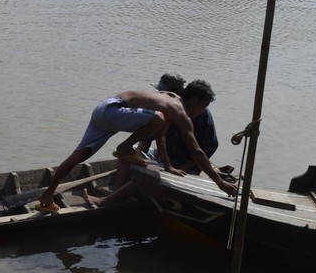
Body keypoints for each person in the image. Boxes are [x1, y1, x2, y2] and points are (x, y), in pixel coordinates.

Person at [37, 80, 237, 211]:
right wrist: (219, 182)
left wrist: (168, 167)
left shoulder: (169, 98)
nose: (202, 112)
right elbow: (197, 151)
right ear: (193, 100)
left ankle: (46, 198)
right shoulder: (181, 113)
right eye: (203, 107)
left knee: (79, 155)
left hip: (104, 108)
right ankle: (125, 149)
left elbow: (160, 137)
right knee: (158, 118)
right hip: (116, 110)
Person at [140, 73, 219, 175]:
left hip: (186, 164)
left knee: (148, 175)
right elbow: (150, 134)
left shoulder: (202, 114)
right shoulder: (166, 108)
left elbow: (209, 146)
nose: (161, 94)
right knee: (131, 152)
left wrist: (185, 167)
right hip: (165, 157)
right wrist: (138, 150)